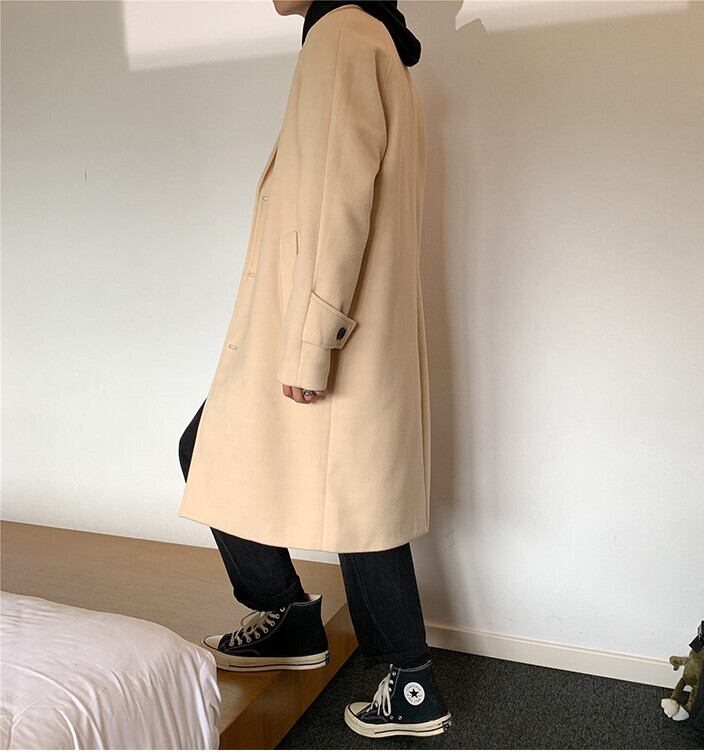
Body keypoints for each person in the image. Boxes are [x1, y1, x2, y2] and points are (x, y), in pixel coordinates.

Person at [178, 0, 451, 738]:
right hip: (339, 324)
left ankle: (403, 676)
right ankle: (314, 631)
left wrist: (312, 341)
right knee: (355, 496)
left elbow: (338, 204)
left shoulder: (341, 35)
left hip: (325, 327)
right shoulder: (368, 38)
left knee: (354, 503)